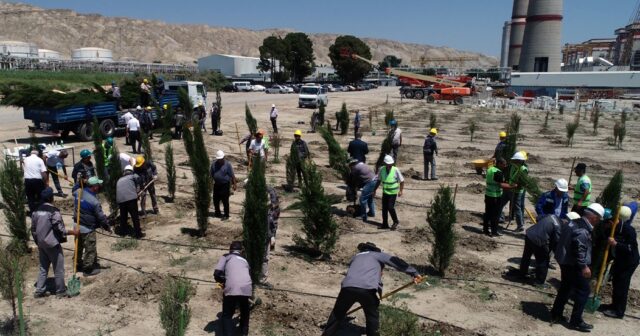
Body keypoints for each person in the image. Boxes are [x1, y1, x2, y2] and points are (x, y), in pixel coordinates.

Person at [323, 242, 422, 336]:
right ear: (374, 250)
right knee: (372, 317)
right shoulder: (377, 255)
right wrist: (414, 273)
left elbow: (355, 274)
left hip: (347, 288)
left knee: (337, 314)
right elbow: (395, 261)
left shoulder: (355, 257)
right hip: (367, 289)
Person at [551, 203, 604, 332]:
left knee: (566, 287)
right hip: (573, 264)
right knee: (583, 290)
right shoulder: (582, 229)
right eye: (599, 219)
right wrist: (584, 267)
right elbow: (579, 249)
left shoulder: (574, 222)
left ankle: (556, 313)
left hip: (564, 260)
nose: (598, 222)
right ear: (594, 218)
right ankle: (576, 321)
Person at [32, 187, 79, 298]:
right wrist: (73, 232)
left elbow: (33, 229)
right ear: (51, 198)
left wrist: (38, 241)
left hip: (41, 244)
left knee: (43, 268)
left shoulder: (36, 211)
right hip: (52, 244)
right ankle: (61, 291)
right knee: (58, 268)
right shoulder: (54, 212)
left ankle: (39, 290)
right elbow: (60, 229)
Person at [601, 203, 639, 319]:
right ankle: (613, 305)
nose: (605, 226)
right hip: (619, 259)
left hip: (629, 262)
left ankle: (619, 311)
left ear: (612, 222)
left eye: (607, 224)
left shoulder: (629, 230)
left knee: (622, 286)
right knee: (615, 283)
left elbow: (630, 248)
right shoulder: (610, 230)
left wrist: (616, 244)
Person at [73, 176, 111, 276]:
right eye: (98, 185)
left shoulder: (78, 192)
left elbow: (74, 189)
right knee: (90, 249)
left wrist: (79, 182)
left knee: (79, 246)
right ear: (94, 187)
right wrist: (107, 227)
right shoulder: (94, 201)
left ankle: (76, 264)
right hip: (87, 228)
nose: (99, 186)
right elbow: (101, 217)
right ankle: (87, 269)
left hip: (76, 226)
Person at [214, 241, 253, 336]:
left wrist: (223, 282)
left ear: (230, 250)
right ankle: (244, 333)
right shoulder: (244, 260)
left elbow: (217, 273)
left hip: (232, 288)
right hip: (246, 288)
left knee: (227, 315)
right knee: (245, 311)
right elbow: (249, 274)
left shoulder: (226, 256)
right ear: (241, 251)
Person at [519, 214, 561, 287]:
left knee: (526, 256)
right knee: (543, 261)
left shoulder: (552, 216)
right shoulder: (559, 227)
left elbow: (538, 218)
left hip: (530, 234)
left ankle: (522, 273)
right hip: (539, 240)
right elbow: (556, 242)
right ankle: (539, 282)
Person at [483, 158, 516, 237]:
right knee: (495, 215)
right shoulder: (498, 172)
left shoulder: (490, 169)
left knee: (488, 213)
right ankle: (494, 232)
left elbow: (495, 181)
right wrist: (513, 186)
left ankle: (485, 230)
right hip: (495, 196)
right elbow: (501, 185)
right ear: (499, 164)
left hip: (488, 194)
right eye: (504, 164)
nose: (505, 166)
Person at [374, 155, 404, 230]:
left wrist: (400, 191)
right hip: (385, 192)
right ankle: (385, 224)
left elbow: (402, 181)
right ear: (385, 164)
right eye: (388, 164)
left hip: (393, 193)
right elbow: (379, 180)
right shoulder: (382, 169)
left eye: (390, 165)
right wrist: (374, 190)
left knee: (390, 207)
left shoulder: (395, 170)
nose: (389, 166)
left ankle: (395, 221)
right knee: (384, 209)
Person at [503, 151, 528, 232]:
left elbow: (523, 181)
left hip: (516, 191)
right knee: (501, 203)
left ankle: (520, 225)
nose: (514, 162)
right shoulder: (513, 166)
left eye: (516, 161)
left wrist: (517, 185)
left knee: (517, 208)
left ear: (520, 161)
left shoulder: (523, 169)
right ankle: (497, 219)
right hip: (509, 188)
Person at [116, 165, 143, 238]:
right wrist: (138, 191)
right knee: (135, 216)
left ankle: (123, 233)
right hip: (131, 199)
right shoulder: (133, 176)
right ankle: (138, 234)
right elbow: (139, 180)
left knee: (123, 217)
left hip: (120, 200)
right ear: (131, 171)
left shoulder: (119, 179)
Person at [211, 150, 237, 220]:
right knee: (215, 199)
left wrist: (234, 184)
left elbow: (232, 175)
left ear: (223, 158)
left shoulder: (227, 164)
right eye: (219, 159)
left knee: (225, 200)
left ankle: (226, 215)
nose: (220, 160)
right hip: (216, 185)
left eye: (221, 159)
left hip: (225, 185)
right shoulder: (213, 164)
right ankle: (217, 212)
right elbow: (211, 174)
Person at [24, 148, 49, 213]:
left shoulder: (26, 159)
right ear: (37, 154)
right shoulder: (39, 160)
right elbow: (44, 172)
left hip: (28, 180)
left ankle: (32, 212)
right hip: (37, 180)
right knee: (40, 196)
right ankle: (41, 210)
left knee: (30, 197)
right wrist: (46, 182)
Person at [267, 186, 280, 251]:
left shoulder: (269, 190)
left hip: (273, 210)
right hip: (272, 210)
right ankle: (272, 239)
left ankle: (272, 242)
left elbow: (274, 204)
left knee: (272, 225)